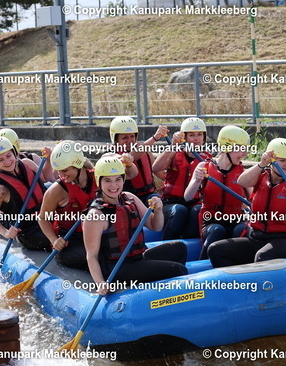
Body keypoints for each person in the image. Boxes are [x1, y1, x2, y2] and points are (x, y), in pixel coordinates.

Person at [207, 138, 286, 268]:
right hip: (257, 238)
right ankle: (235, 280)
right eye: (282, 160)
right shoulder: (260, 176)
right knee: (216, 249)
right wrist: (262, 163)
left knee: (262, 257)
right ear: (271, 160)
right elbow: (242, 181)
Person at [84, 156, 188, 295]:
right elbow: (91, 256)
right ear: (99, 182)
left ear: (123, 179)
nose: (114, 185)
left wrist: (158, 211)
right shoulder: (95, 215)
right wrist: (100, 282)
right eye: (107, 180)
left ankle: (159, 293)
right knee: (179, 270)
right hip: (117, 269)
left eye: (118, 179)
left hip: (137, 258)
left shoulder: (129, 198)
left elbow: (155, 226)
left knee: (179, 248)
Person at [184, 125, 251, 259]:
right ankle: (203, 263)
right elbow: (187, 197)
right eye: (241, 149)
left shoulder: (243, 173)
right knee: (217, 230)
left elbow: (253, 201)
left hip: (236, 220)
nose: (245, 154)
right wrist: (197, 180)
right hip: (211, 221)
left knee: (242, 230)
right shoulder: (204, 167)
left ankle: (238, 264)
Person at [38, 141, 97, 270]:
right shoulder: (56, 190)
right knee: (96, 257)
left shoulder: (98, 177)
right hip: (71, 240)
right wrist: (54, 240)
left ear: (78, 165)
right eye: (58, 171)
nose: (61, 175)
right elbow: (42, 218)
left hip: (96, 234)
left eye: (65, 170)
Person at [0, 136, 50, 251]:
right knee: (58, 236)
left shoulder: (28, 164)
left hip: (48, 216)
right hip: (29, 231)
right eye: (0, 160)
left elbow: (45, 180)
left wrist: (49, 160)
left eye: (8, 156)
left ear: (14, 153)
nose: (7, 161)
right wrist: (6, 233)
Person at [152, 117, 211, 240]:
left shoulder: (208, 159)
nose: (196, 138)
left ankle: (189, 242)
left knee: (198, 210)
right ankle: (167, 243)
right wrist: (173, 145)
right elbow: (156, 168)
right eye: (192, 135)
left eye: (199, 134)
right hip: (171, 202)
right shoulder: (174, 152)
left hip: (195, 202)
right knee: (180, 210)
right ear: (185, 137)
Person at [108, 116, 167, 205]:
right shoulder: (110, 156)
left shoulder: (145, 151)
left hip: (149, 196)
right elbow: (129, 158)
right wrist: (154, 138)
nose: (130, 141)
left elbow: (159, 172)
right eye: (124, 137)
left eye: (132, 136)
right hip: (126, 198)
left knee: (158, 201)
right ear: (116, 139)